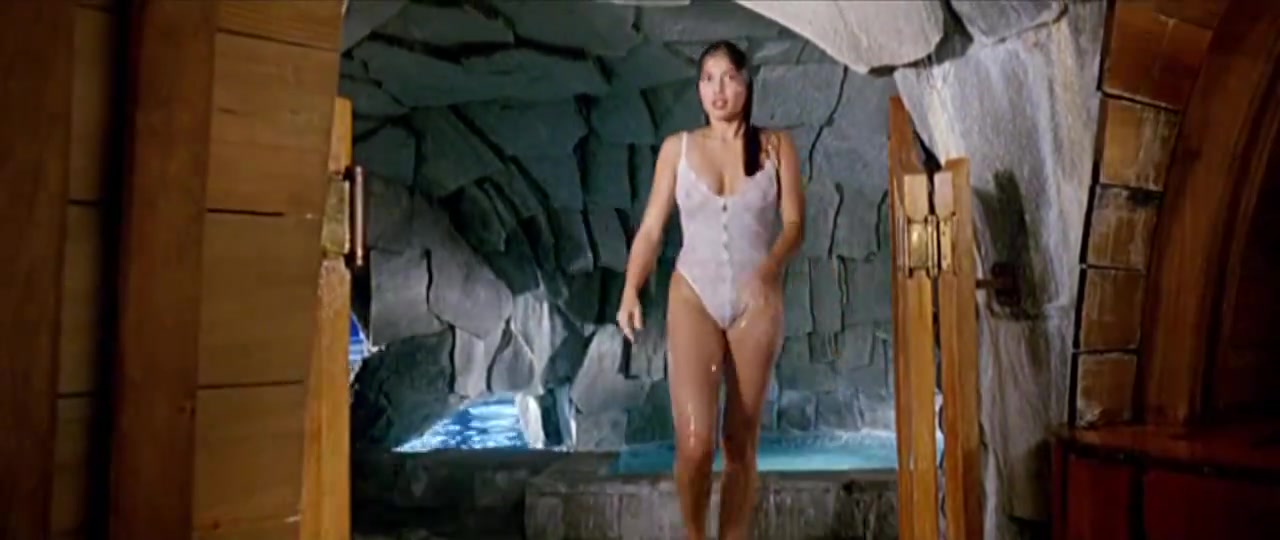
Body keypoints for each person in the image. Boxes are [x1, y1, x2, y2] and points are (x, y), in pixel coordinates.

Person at [615, 40, 805, 540]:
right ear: (698, 88)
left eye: (729, 77)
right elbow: (652, 229)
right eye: (707, 78)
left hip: (755, 302)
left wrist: (769, 269)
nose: (718, 89)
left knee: (740, 444)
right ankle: (696, 535)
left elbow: (794, 225)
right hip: (693, 295)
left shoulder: (776, 146)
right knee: (696, 443)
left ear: (747, 83)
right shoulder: (677, 148)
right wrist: (631, 288)